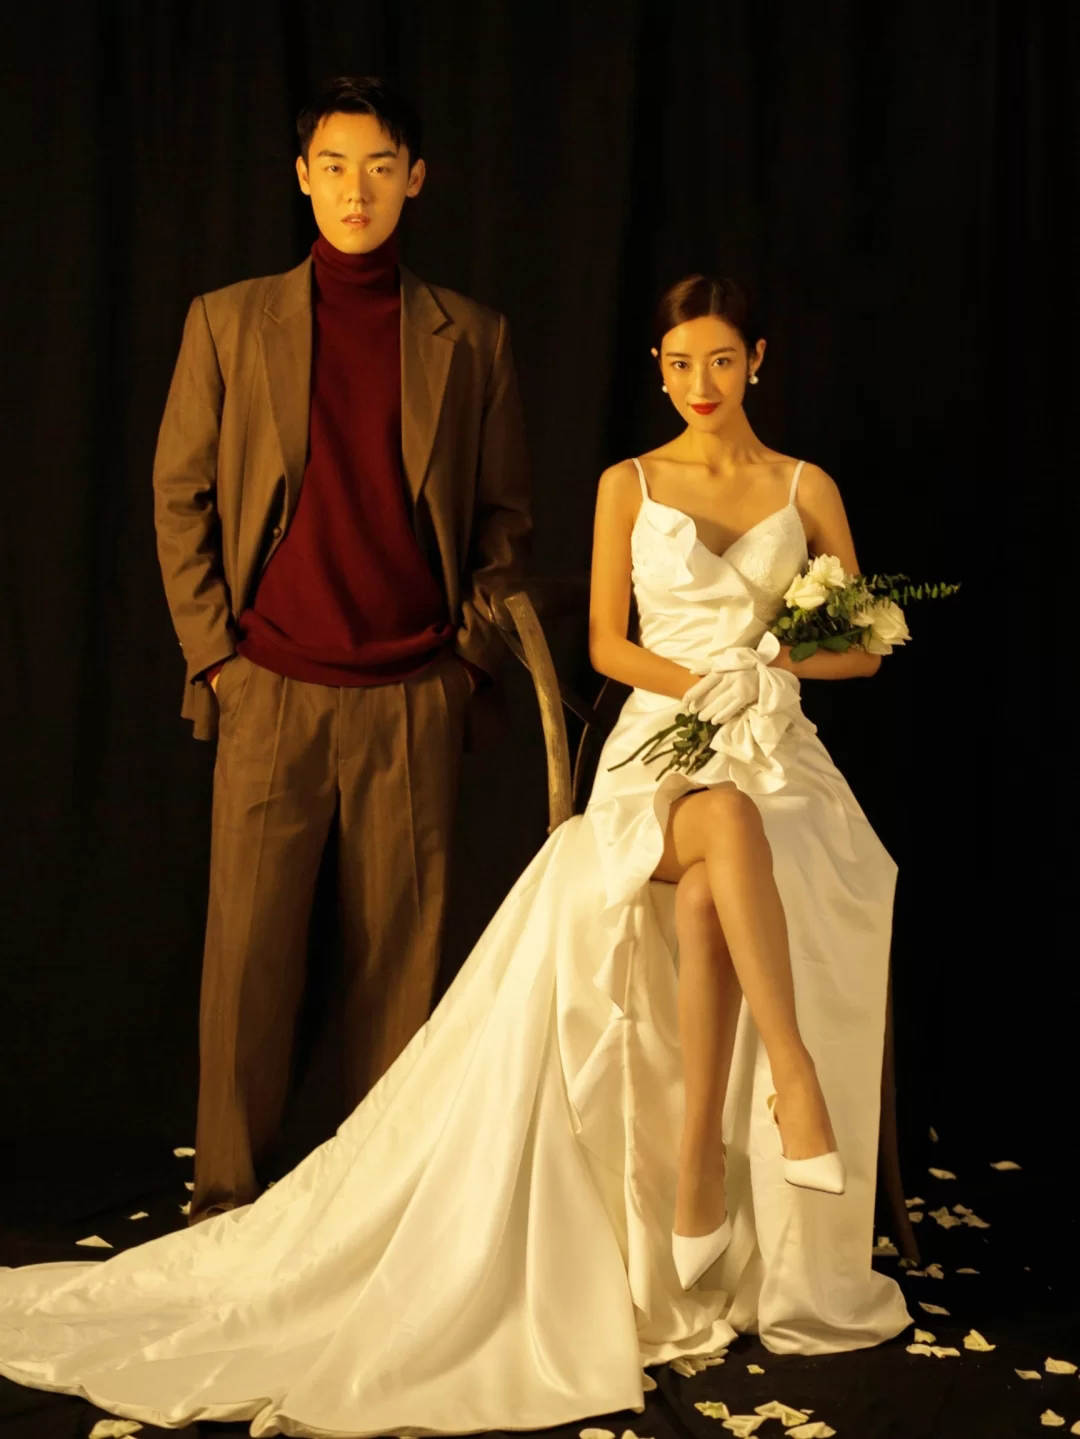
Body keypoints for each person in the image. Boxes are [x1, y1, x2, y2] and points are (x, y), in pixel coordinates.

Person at [0, 275, 912, 1436]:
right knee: (719, 819)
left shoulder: (806, 485)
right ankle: (796, 1083)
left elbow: (863, 645)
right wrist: (705, 679)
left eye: (722, 361)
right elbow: (606, 644)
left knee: (719, 883)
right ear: (658, 366)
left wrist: (775, 665)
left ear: (758, 360)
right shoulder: (629, 482)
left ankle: (696, 1170)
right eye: (681, 363)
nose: (701, 383)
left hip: (779, 748)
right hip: (665, 746)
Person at [151, 76, 531, 1224]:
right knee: (247, 964)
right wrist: (217, 658)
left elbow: (505, 520)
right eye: (333, 165)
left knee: (398, 974)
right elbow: (179, 495)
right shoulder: (228, 322)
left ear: (415, 178)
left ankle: (377, 1212)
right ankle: (225, 1198)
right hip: (269, 684)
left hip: (415, 691)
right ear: (302, 177)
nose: (355, 189)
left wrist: (466, 663)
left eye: (378, 166)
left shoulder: (471, 336)